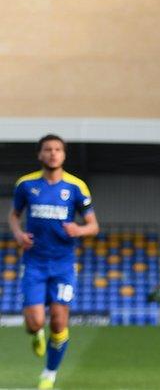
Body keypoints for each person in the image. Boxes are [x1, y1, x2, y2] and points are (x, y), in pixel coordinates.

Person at [8, 134, 100, 389]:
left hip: (63, 264)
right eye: (48, 149)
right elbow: (14, 215)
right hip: (34, 263)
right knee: (35, 321)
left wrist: (78, 230)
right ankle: (37, 333)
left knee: (59, 320)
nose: (53, 153)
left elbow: (93, 226)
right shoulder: (26, 185)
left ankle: (49, 373)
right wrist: (17, 234)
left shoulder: (76, 187)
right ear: (40, 154)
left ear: (64, 155)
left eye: (58, 149)